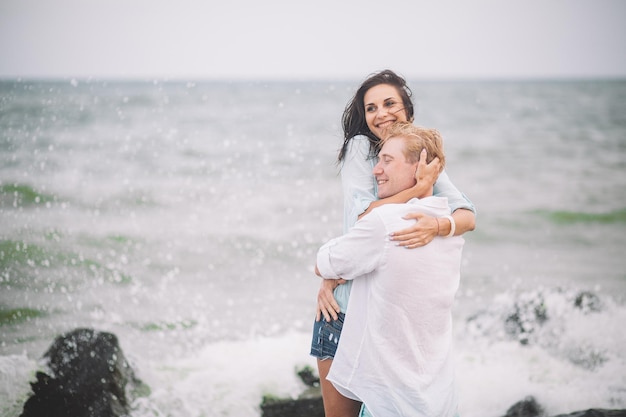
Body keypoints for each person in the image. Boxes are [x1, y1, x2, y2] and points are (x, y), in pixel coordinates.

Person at [310, 70, 475, 417]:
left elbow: (467, 217)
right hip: (343, 309)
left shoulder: (419, 153)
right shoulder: (361, 148)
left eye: (389, 104)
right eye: (371, 108)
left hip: (385, 320)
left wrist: (437, 225)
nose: (380, 114)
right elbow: (363, 221)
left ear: (408, 111)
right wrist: (416, 189)